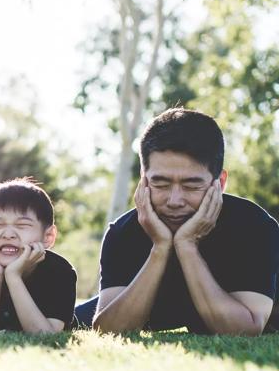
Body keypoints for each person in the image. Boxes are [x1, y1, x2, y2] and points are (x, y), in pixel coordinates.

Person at [91, 108, 279, 335]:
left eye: (191, 186)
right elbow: (108, 331)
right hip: (154, 308)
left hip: (230, 305)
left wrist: (187, 246)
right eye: (161, 184)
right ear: (143, 179)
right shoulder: (122, 232)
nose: (175, 201)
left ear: (220, 182)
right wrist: (160, 247)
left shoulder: (254, 226)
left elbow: (246, 330)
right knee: (70, 316)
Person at [0, 179, 77, 334]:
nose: (8, 234)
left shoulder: (60, 271)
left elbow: (45, 335)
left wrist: (13, 276)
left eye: (22, 226)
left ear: (48, 236)